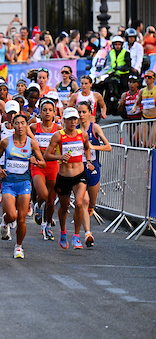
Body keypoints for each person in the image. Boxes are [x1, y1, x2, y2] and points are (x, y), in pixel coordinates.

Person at [0, 114, 46, 258]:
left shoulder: (32, 143)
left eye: (22, 123)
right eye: (17, 123)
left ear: (26, 125)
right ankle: (5, 221)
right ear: (12, 125)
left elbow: (43, 162)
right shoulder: (6, 142)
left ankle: (18, 247)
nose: (20, 126)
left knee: (22, 219)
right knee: (12, 215)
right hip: (8, 183)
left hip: (24, 183)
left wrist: (35, 161)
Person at [44, 107, 92, 250]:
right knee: (64, 207)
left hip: (80, 175)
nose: (73, 122)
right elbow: (47, 155)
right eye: (70, 119)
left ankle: (76, 236)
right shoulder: (58, 136)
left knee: (79, 203)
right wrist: (60, 157)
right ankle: (63, 231)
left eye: (75, 119)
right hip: (64, 176)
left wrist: (88, 161)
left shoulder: (82, 135)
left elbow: (87, 148)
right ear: (64, 120)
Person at [77, 101, 111, 247]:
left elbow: (108, 147)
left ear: (90, 112)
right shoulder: (75, 130)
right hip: (79, 169)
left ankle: (91, 208)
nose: (81, 115)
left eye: (84, 112)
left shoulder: (95, 127)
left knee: (91, 202)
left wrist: (92, 146)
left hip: (94, 168)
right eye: (79, 112)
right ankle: (88, 234)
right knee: (83, 201)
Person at [30, 99, 61, 240]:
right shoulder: (34, 127)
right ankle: (38, 205)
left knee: (51, 200)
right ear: (40, 112)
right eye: (45, 110)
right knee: (42, 194)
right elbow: (22, 138)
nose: (47, 112)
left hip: (53, 166)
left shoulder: (59, 129)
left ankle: (47, 226)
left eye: (50, 110)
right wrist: (29, 156)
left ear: (54, 112)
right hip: (37, 165)